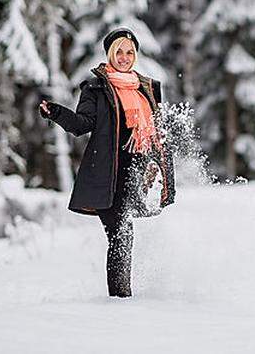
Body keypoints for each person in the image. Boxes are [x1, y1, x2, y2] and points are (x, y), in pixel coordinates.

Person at [38, 27, 175, 298]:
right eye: (119, 52)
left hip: (137, 173)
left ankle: (123, 296)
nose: (124, 57)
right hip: (107, 174)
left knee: (125, 234)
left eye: (130, 52)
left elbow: (157, 132)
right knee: (120, 233)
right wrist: (55, 112)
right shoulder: (96, 88)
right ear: (110, 54)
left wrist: (161, 168)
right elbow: (81, 125)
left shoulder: (146, 88)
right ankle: (120, 299)